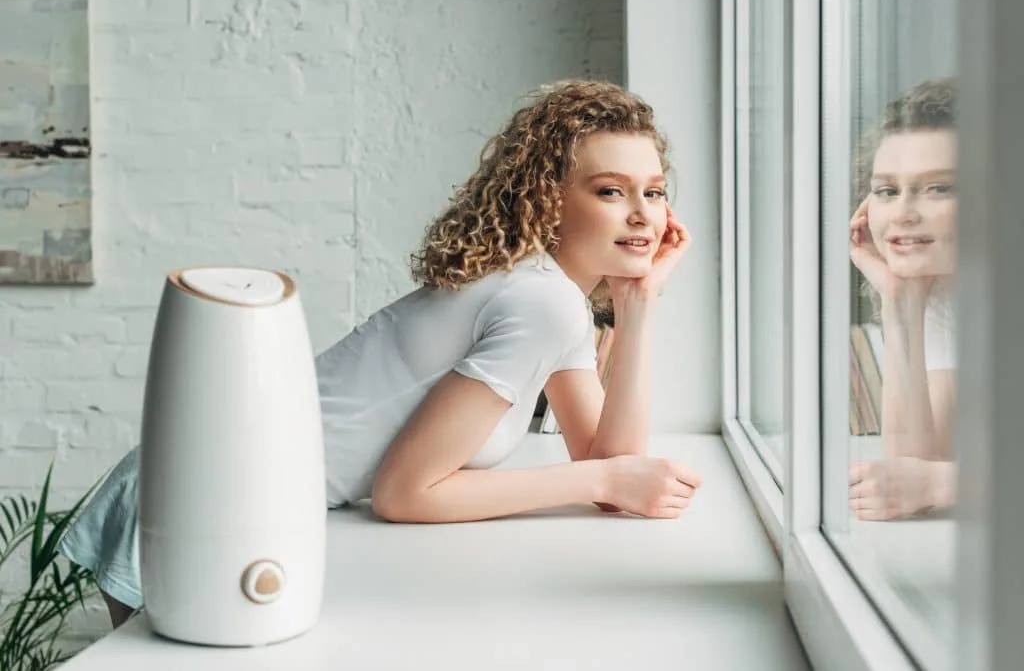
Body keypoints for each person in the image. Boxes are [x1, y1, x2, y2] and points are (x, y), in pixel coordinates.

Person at [59, 79, 703, 628]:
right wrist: (600, 480)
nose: (644, 215)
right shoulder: (540, 301)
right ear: (547, 199)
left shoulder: (546, 295)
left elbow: (613, 466)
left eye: (654, 190)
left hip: (212, 482)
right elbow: (407, 492)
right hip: (201, 491)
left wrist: (637, 302)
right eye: (611, 191)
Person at [847, 77, 958, 521]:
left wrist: (944, 482)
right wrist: (901, 302)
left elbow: (931, 479)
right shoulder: (945, 292)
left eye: (939, 188)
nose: (904, 213)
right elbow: (913, 466)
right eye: (887, 191)